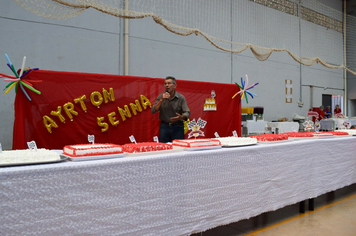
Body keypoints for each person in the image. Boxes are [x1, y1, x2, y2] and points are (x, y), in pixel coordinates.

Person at [151, 76, 190, 143]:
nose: (167, 85)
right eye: (165, 84)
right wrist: (161, 100)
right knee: (164, 148)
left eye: (169, 83)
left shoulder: (180, 98)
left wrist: (181, 117)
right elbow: (153, 110)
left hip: (178, 126)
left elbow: (187, 112)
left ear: (175, 85)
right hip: (164, 126)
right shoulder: (161, 96)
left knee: (178, 148)